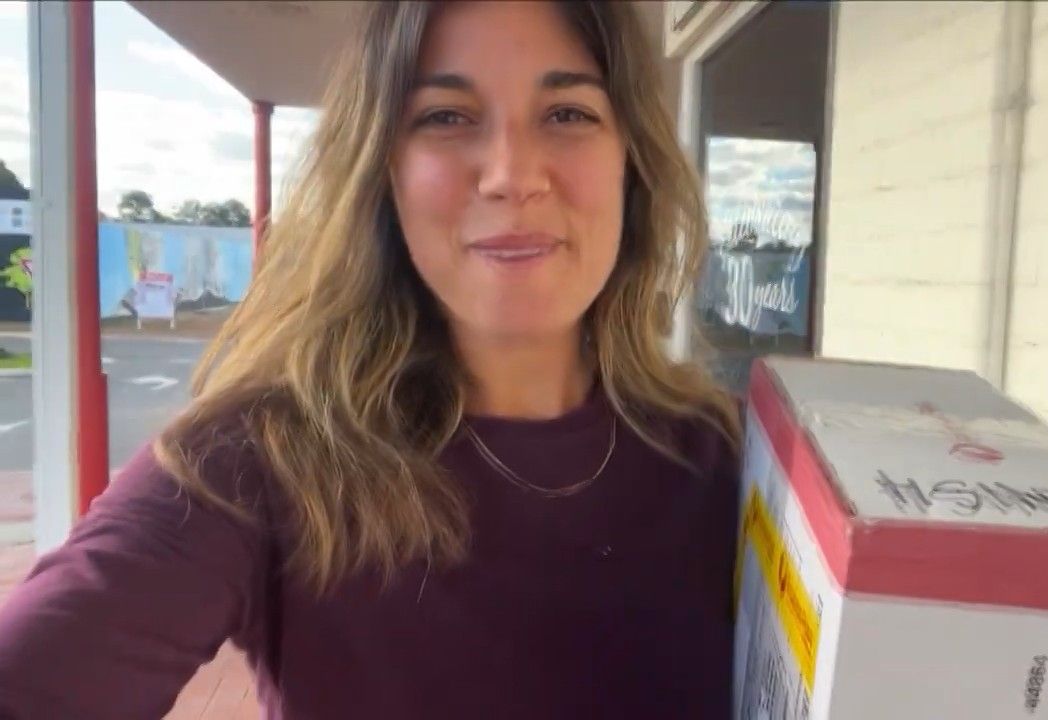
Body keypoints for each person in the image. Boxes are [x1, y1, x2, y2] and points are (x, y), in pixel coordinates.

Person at [0, 2, 742, 718]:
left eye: (568, 113)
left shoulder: (738, 459)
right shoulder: (262, 461)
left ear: (631, 161)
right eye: (446, 117)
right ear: (384, 170)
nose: (512, 175)